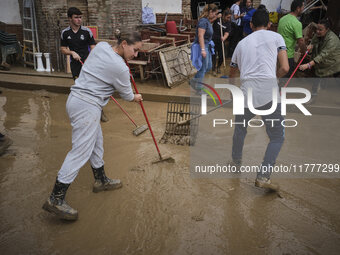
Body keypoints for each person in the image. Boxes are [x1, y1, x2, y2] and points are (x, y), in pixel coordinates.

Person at [42, 30, 143, 221]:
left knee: (97, 142)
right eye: (135, 50)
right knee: (80, 151)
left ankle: (101, 179)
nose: (136, 55)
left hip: (78, 100)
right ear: (124, 44)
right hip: (87, 106)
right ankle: (56, 198)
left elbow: (99, 65)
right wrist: (136, 97)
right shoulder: (120, 68)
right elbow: (128, 95)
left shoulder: (103, 46)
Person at [229, 9, 289, 190]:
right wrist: (275, 78)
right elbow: (285, 68)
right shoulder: (277, 38)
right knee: (277, 137)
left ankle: (236, 162)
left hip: (246, 94)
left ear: (251, 25)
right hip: (269, 95)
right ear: (269, 25)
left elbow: (232, 73)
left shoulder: (241, 44)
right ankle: (263, 176)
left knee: (240, 128)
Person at [60, 7, 108, 122]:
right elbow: (62, 49)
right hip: (75, 65)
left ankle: (100, 111)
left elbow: (93, 47)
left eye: (80, 17)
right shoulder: (65, 33)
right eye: (76, 17)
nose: (79, 20)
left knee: (93, 87)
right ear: (69, 19)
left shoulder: (87, 32)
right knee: (80, 88)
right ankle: (85, 111)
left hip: (88, 64)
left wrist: (92, 59)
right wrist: (71, 52)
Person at [299, 19, 340, 102]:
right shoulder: (318, 35)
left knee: (337, 80)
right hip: (322, 63)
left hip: (334, 63)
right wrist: (310, 46)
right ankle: (313, 97)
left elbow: (322, 55)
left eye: (320, 30)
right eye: (317, 29)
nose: (317, 31)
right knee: (317, 78)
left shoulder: (332, 40)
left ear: (327, 29)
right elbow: (313, 42)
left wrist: (308, 65)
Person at [190, 4, 219, 94]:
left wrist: (216, 17)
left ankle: (194, 80)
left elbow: (211, 20)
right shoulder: (203, 21)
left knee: (209, 66)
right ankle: (199, 89)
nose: (215, 15)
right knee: (203, 68)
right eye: (215, 13)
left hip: (207, 45)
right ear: (210, 12)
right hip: (202, 46)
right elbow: (200, 35)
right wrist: (202, 50)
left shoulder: (207, 21)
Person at [278, 0, 306, 77]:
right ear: (298, 8)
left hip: (278, 53)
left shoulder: (282, 19)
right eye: (303, 7)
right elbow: (300, 41)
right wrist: (305, 51)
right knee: (285, 79)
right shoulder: (297, 23)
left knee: (279, 77)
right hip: (288, 55)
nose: (303, 9)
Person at [212, 9, 232, 76]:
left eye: (230, 17)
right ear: (223, 15)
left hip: (221, 41)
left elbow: (227, 33)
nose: (229, 19)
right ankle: (214, 69)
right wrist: (216, 17)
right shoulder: (218, 19)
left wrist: (224, 38)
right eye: (228, 17)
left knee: (221, 56)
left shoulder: (228, 23)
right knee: (214, 55)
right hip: (214, 39)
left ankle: (218, 67)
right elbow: (210, 21)